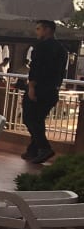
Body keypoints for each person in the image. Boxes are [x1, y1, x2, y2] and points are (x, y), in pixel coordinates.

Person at [20, 20, 68, 164]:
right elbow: (59, 72)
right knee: (37, 119)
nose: (37, 32)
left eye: (38, 29)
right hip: (52, 90)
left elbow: (37, 68)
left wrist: (31, 87)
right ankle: (33, 150)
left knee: (30, 118)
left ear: (47, 30)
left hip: (40, 89)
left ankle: (44, 148)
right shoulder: (61, 49)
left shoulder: (41, 47)